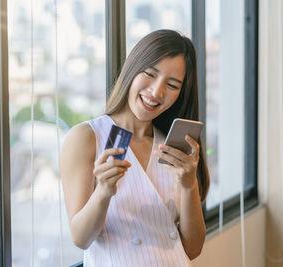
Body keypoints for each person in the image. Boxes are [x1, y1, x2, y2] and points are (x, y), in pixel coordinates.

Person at [60, 29, 210, 267]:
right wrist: (103, 191)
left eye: (172, 84)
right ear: (132, 69)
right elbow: (80, 238)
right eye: (150, 74)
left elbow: (192, 248)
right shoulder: (87, 137)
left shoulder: (173, 148)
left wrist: (189, 184)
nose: (156, 91)